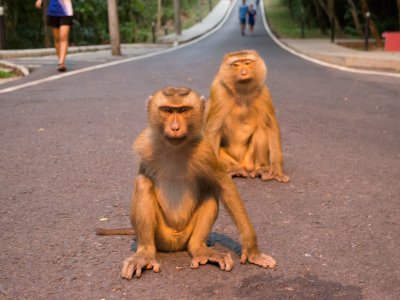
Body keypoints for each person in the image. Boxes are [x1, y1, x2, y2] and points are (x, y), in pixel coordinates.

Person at [35, 0, 74, 72]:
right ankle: (60, 59)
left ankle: (61, 63)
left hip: (66, 12)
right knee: (57, 38)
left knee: (63, 37)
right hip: (53, 11)